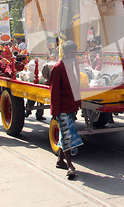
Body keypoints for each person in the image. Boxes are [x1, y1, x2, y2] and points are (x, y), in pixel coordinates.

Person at [50, 41, 83, 179]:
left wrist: (78, 102)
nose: (73, 55)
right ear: (64, 52)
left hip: (72, 105)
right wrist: (55, 112)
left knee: (65, 133)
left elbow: (77, 83)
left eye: (75, 52)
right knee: (67, 135)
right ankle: (70, 165)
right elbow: (54, 92)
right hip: (62, 107)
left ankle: (60, 160)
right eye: (71, 52)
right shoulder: (58, 68)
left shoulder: (75, 63)